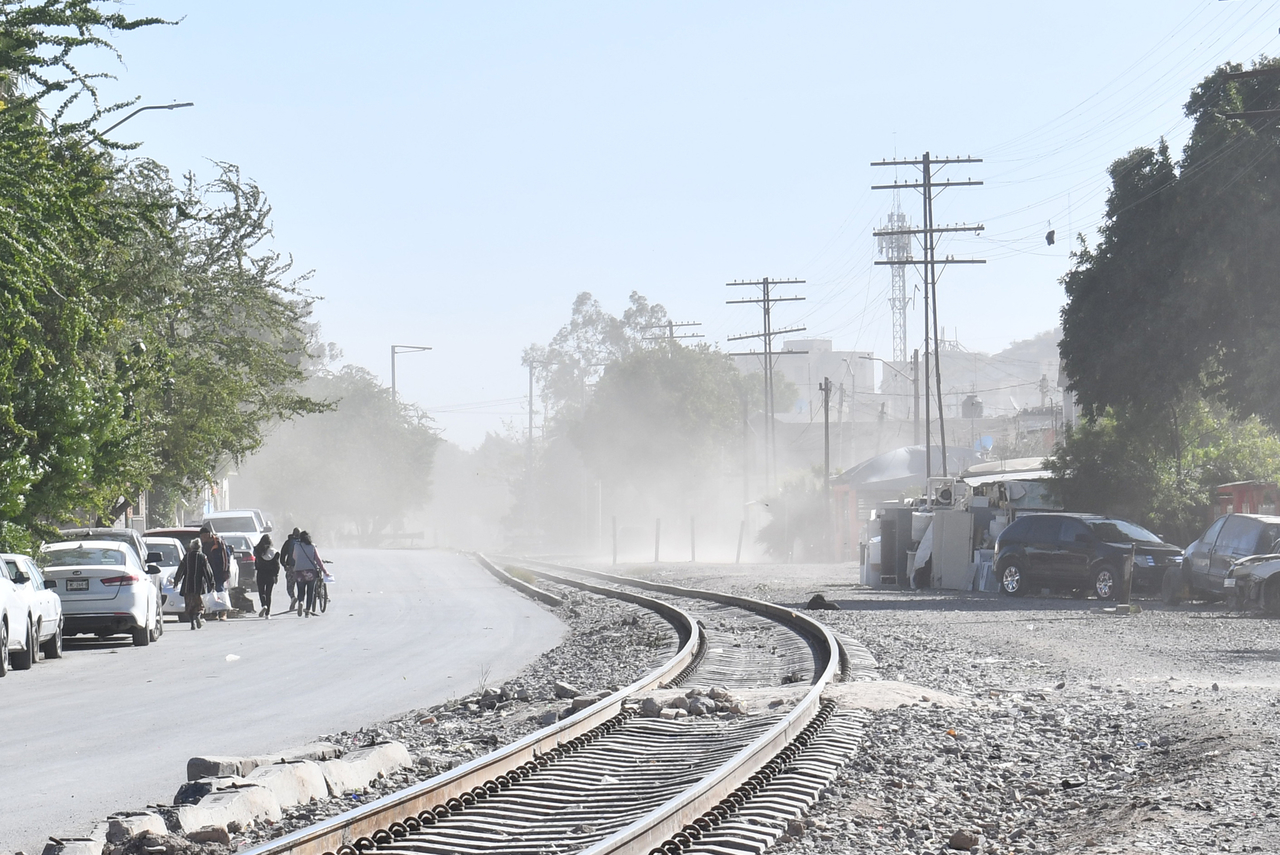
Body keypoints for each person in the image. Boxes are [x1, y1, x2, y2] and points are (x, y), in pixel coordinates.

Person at [172, 538, 215, 629]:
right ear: (199, 547)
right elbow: (207, 571)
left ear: (191, 547)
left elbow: (181, 570)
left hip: (187, 586)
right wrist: (211, 583)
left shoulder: (186, 557)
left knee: (189, 605)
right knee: (199, 605)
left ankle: (192, 624)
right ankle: (198, 617)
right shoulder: (203, 557)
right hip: (198, 586)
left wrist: (176, 581)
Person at [200, 523, 235, 621]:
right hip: (208, 572)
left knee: (220, 590)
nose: (202, 538)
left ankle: (223, 613)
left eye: (204, 536)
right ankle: (214, 613)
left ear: (209, 534)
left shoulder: (219, 543)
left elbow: (226, 557)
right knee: (210, 592)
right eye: (201, 536)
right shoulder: (204, 545)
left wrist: (226, 570)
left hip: (219, 571)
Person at [291, 530, 324, 617]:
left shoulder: (297, 546)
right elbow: (318, 560)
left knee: (300, 590)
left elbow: (294, 557)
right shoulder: (312, 546)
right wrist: (325, 571)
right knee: (310, 591)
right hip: (310, 572)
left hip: (299, 571)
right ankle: (307, 610)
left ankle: (301, 602)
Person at [254, 534, 281, 618]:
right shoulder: (275, 552)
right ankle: (267, 613)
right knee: (268, 594)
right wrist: (276, 575)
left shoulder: (257, 551)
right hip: (271, 575)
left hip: (261, 574)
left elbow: (256, 564)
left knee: (261, 592)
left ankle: (264, 605)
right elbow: (277, 565)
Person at [281, 527, 301, 611]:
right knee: (301, 586)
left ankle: (293, 597)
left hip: (290, 567)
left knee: (290, 586)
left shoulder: (288, 542)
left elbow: (282, 554)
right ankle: (301, 601)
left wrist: (284, 565)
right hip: (301, 568)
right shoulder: (303, 542)